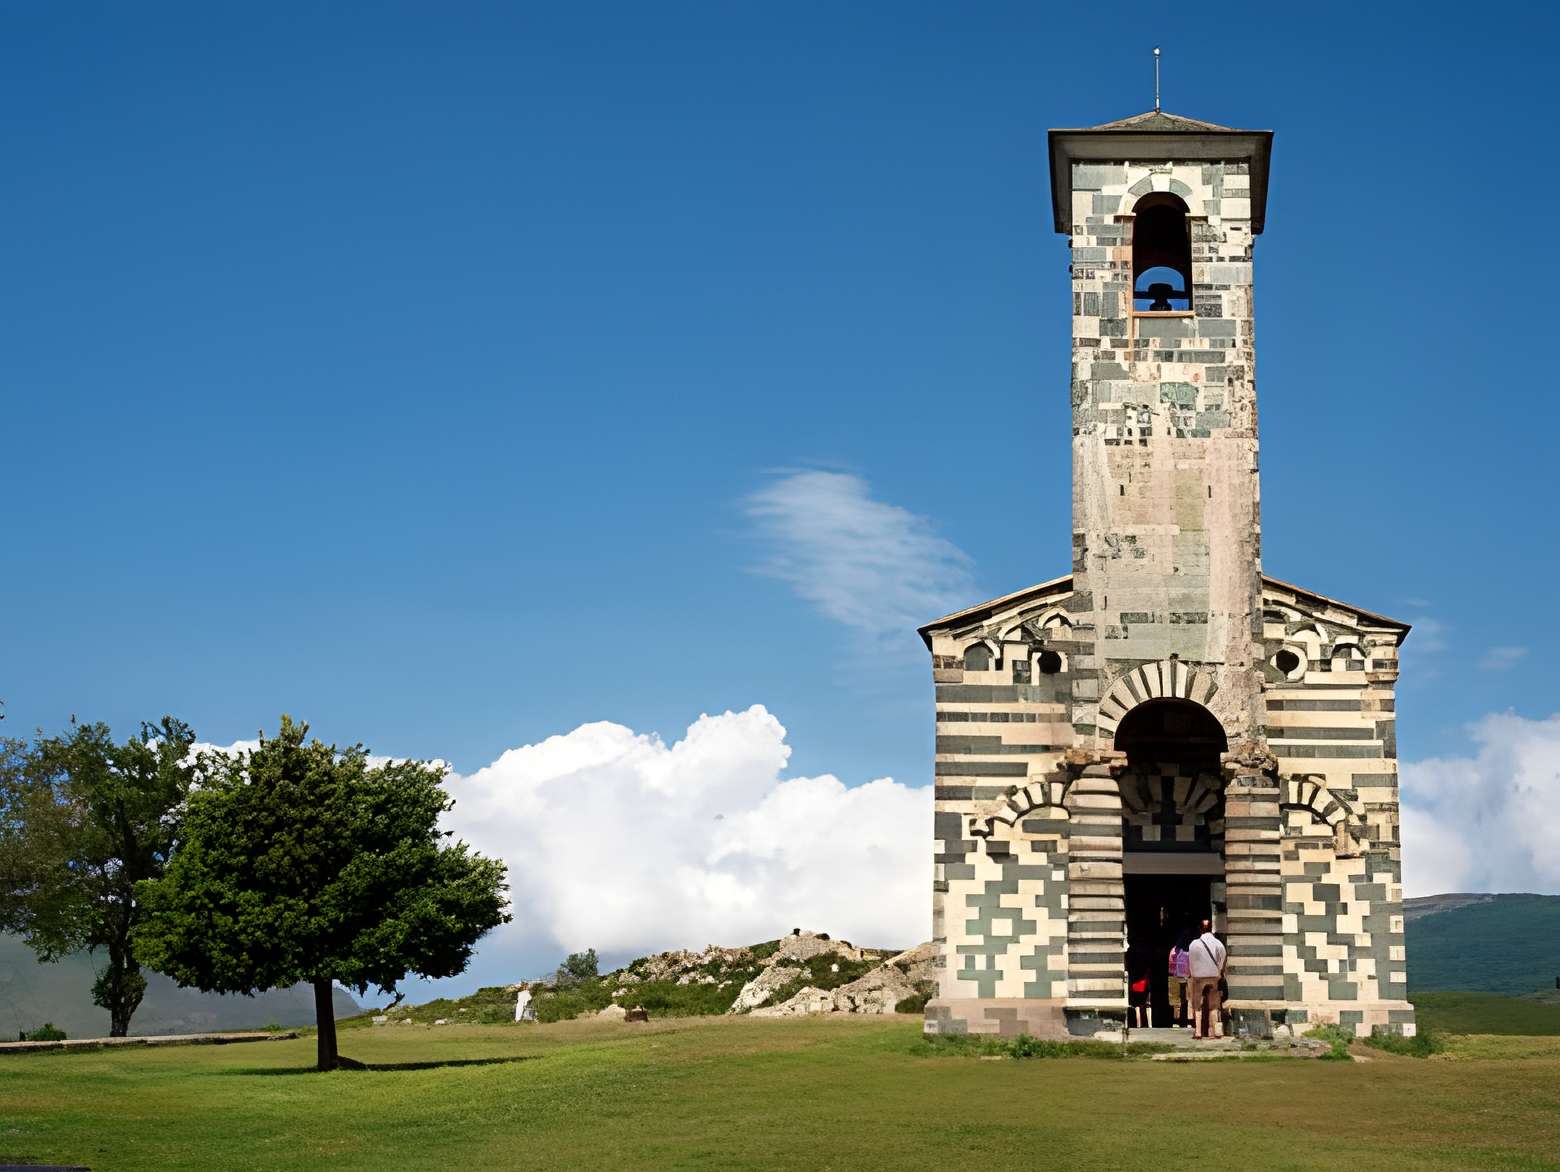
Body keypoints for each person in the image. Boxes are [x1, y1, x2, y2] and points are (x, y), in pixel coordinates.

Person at [1187, 918, 1227, 1040]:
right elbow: (1223, 958)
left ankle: (1198, 1032)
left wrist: (1194, 974)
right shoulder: (1218, 943)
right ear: (1211, 929)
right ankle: (1213, 1031)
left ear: (1200, 929)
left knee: (1197, 1005)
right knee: (1214, 1005)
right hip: (1213, 977)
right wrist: (1219, 972)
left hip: (1198, 977)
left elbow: (1191, 961)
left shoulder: (1194, 944)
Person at [1167, 925, 1194, 1028]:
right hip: (1190, 976)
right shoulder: (1192, 948)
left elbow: (1171, 964)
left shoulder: (1175, 950)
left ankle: (1179, 1019)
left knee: (1179, 1000)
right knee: (1188, 1000)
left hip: (1177, 976)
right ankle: (1186, 1019)